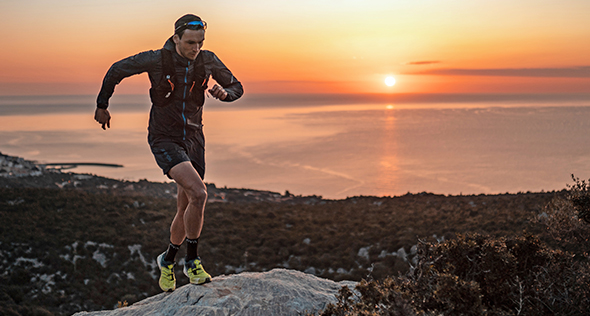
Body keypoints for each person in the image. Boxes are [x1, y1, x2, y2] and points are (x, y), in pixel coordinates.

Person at [94, 14, 243, 292]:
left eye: (200, 42)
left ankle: (167, 260)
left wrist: (226, 94)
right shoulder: (157, 59)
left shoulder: (207, 59)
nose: (195, 48)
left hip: (194, 139)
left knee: (185, 206)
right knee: (200, 193)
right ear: (176, 38)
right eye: (189, 42)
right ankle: (192, 261)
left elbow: (237, 86)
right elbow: (116, 69)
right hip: (165, 138)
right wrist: (102, 105)